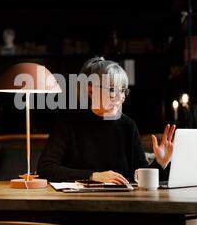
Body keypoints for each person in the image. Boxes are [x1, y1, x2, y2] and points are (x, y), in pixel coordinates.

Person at [37, 56, 176, 184]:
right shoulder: (68, 123)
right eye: (111, 90)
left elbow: (140, 179)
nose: (120, 97)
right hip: (77, 202)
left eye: (123, 91)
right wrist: (93, 175)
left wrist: (160, 163)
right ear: (90, 91)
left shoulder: (127, 126)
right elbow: (45, 169)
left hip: (122, 204)